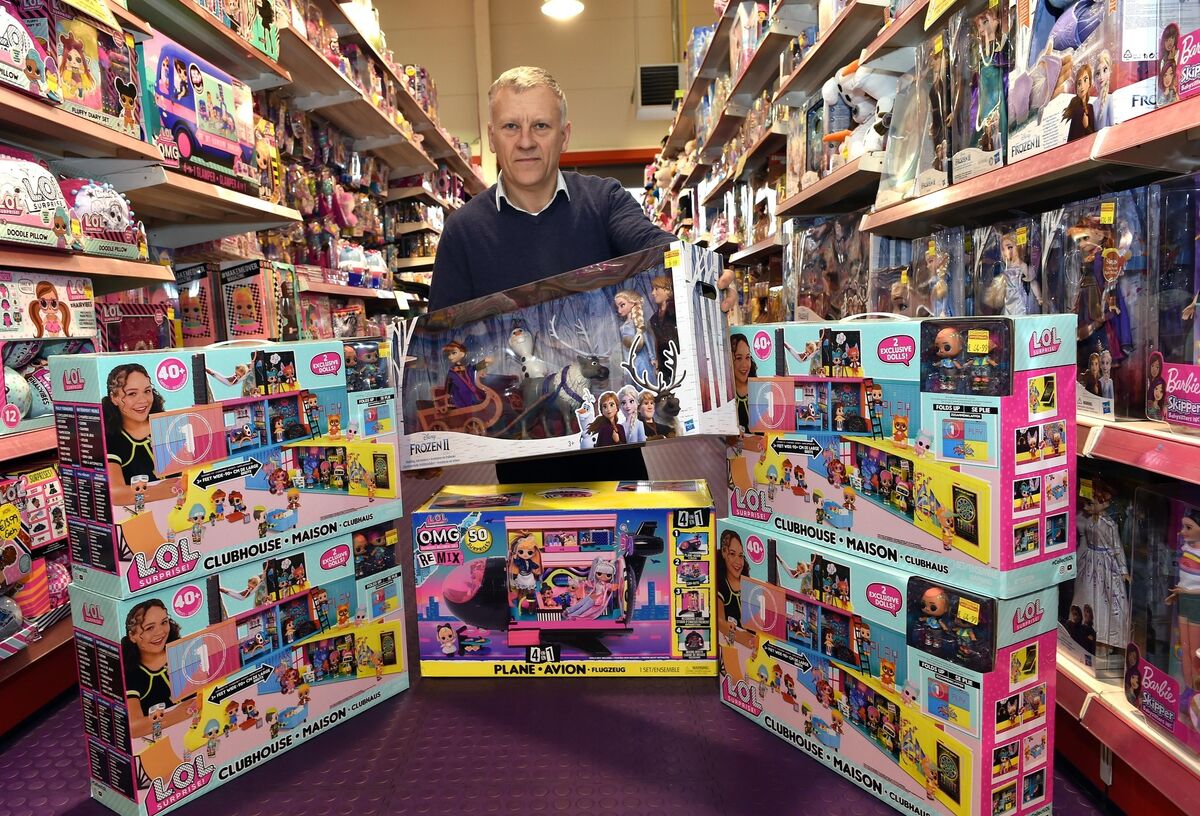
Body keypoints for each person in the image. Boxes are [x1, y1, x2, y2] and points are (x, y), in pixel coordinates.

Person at [428, 66, 732, 484]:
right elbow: (441, 342)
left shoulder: (604, 200)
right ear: (493, 135)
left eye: (540, 126)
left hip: (613, 454)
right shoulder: (463, 230)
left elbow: (653, 245)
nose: (526, 141)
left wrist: (702, 277)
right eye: (511, 126)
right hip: (519, 465)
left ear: (565, 134)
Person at [102, 364, 181, 506]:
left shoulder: (166, 426)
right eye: (132, 393)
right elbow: (115, 494)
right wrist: (155, 493)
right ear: (113, 397)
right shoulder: (112, 438)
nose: (143, 400)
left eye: (147, 391)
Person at [122, 599, 193, 739]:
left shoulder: (184, 654)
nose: (160, 632)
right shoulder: (132, 674)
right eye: (149, 628)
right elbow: (133, 727)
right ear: (132, 636)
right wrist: (177, 715)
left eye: (164, 622)